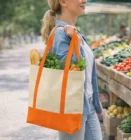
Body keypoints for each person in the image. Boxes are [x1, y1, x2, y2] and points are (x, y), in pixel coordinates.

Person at [41, 0, 103, 140]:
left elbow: (87, 73)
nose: (84, 0)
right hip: (71, 107)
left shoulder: (74, 32)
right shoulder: (61, 34)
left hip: (87, 104)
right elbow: (67, 74)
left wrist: (95, 103)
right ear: (63, 1)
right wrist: (74, 41)